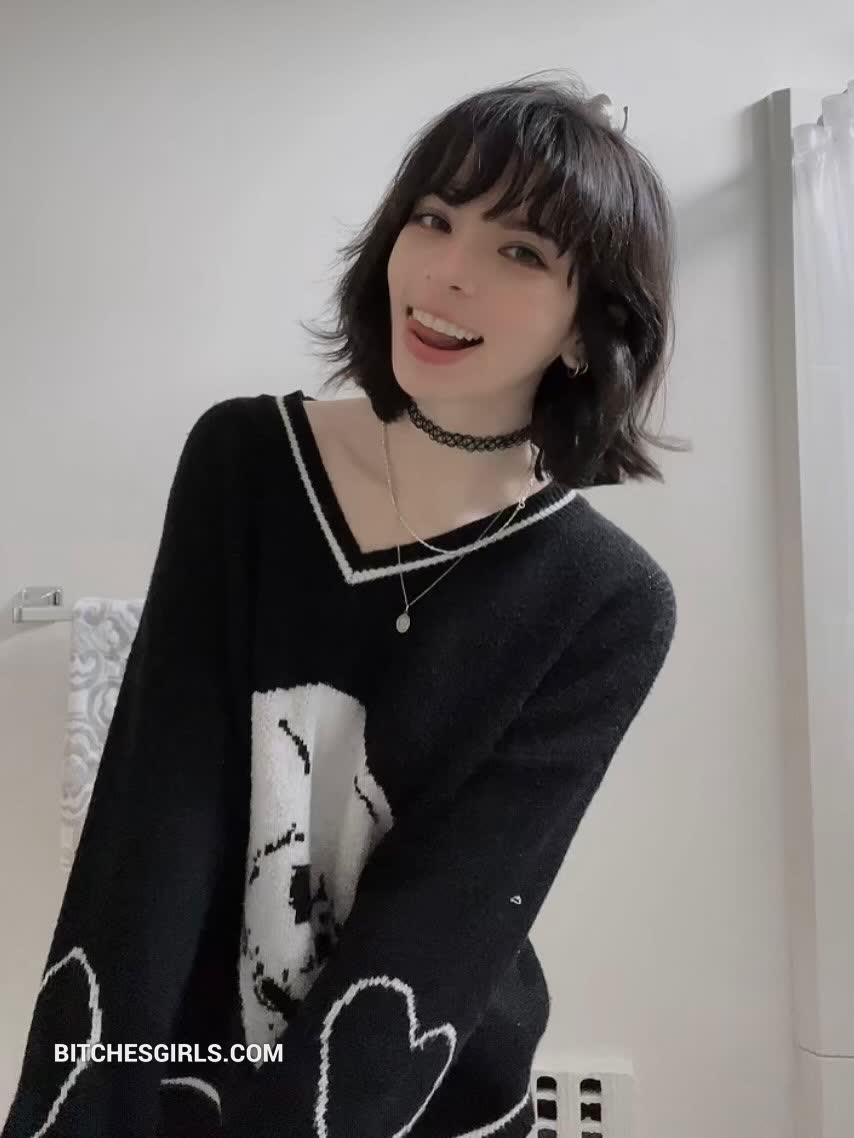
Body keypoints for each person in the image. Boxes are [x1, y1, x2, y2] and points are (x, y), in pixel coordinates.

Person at [2, 70, 687, 1138]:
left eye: (520, 252)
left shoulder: (609, 602)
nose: (447, 272)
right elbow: (152, 820)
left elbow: (450, 916)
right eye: (434, 218)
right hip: (187, 1061)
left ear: (583, 327)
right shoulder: (245, 464)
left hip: (420, 1090)